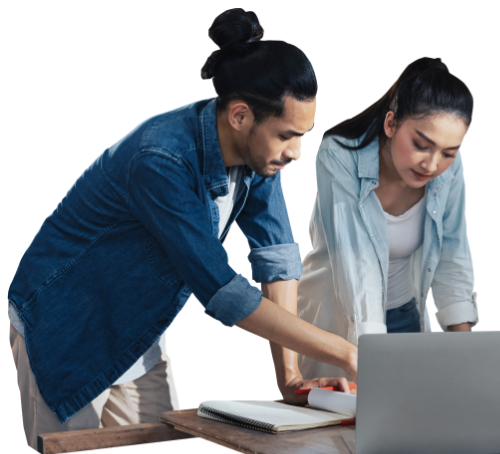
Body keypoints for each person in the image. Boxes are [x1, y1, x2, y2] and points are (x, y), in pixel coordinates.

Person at [8, 9, 355, 451]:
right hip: (66, 323)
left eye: (302, 136)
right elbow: (222, 290)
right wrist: (344, 352)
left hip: (136, 327)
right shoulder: (161, 159)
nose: (297, 152)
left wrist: (290, 378)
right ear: (241, 116)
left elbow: (276, 256)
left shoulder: (259, 157)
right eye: (288, 135)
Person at [279, 56, 478, 382]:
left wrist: (467, 353)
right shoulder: (340, 154)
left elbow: (453, 252)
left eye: (448, 152)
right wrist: (371, 356)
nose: (432, 164)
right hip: (340, 322)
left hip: (404, 316)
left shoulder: (448, 168)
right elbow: (358, 266)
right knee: (340, 427)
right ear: (390, 124)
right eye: (420, 145)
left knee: (418, 424)